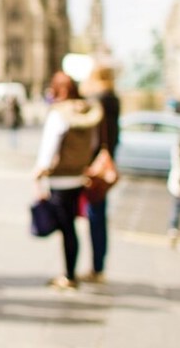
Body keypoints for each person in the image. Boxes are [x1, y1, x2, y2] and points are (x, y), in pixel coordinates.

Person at [33, 71, 103, 290]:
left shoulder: (59, 113)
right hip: (78, 176)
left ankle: (69, 274)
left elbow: (49, 144)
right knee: (70, 225)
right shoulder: (87, 111)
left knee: (66, 228)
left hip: (60, 177)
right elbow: (93, 144)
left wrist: (40, 169)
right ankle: (70, 271)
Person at [80, 64, 120, 283]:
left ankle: (97, 267)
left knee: (95, 215)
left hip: (96, 165)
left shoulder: (100, 100)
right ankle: (99, 265)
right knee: (99, 214)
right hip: (107, 161)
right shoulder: (113, 99)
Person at [168, 133, 180, 249]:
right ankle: (173, 231)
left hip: (177, 181)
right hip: (177, 181)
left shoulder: (176, 147)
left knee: (176, 208)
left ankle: (173, 230)